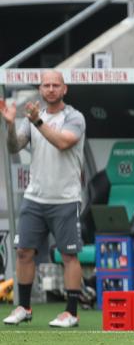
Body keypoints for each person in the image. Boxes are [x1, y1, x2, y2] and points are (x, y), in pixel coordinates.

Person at [2, 71, 86, 328]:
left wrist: (37, 121)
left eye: (55, 85)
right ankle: (24, 307)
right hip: (35, 196)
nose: (50, 89)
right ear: (40, 88)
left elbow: (62, 142)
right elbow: (15, 146)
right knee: (24, 251)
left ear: (65, 89)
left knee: (68, 255)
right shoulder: (32, 118)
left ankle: (71, 312)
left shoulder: (74, 117)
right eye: (46, 85)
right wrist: (9, 124)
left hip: (65, 198)